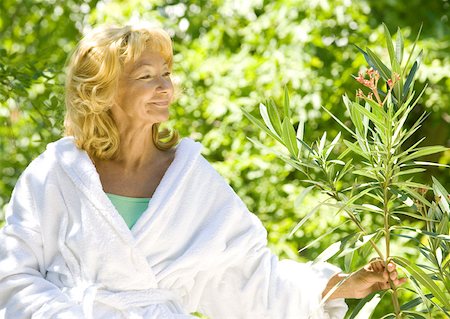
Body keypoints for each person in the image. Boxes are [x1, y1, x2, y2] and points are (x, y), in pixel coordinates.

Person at [0, 24, 405, 319]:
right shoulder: (54, 175)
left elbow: (247, 278)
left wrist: (336, 286)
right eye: (146, 77)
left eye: (167, 74)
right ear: (102, 91)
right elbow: (13, 276)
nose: (165, 88)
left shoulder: (190, 181)